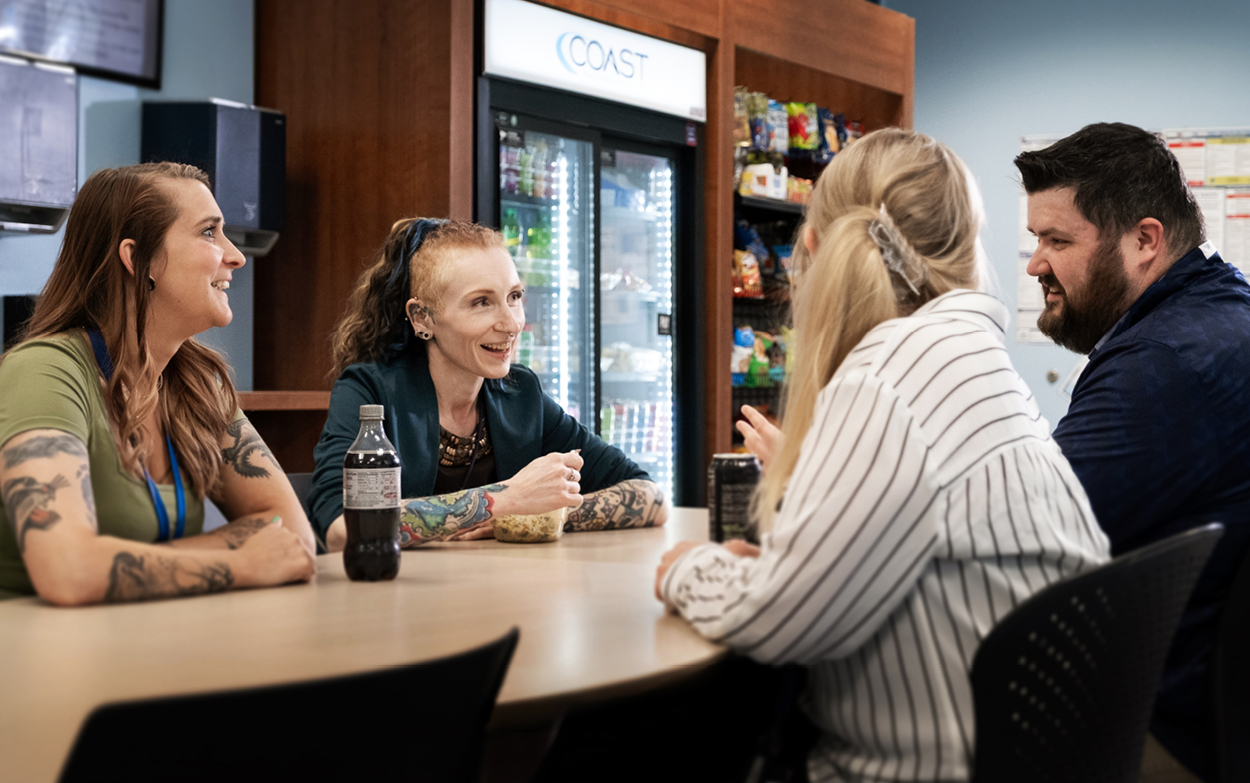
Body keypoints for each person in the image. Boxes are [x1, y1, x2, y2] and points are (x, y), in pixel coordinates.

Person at [655, 129, 1110, 783]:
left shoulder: (892, 368)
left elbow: (781, 620)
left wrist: (686, 568)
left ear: (812, 249)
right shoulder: (965, 354)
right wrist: (794, 560)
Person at [1017, 122, 1250, 783]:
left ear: (1145, 240)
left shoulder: (1163, 365)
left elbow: (1018, 532)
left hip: (1160, 730)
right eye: (1037, 238)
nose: (1035, 263)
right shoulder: (1226, 308)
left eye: (1057, 240)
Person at [0, 162, 316, 606]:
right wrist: (242, 563)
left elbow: (290, 533)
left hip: (145, 648)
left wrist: (114, 561)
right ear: (137, 259)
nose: (236, 255)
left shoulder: (198, 383)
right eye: (209, 232)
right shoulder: (44, 371)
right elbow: (68, 571)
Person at [309, 218, 667, 550]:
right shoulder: (368, 391)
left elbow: (650, 495)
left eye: (514, 297)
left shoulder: (520, 392)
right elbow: (343, 527)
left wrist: (540, 514)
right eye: (482, 302)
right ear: (422, 317)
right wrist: (506, 499)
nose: (511, 324)